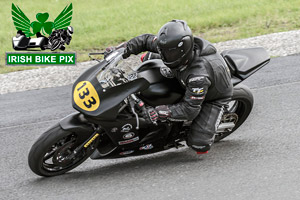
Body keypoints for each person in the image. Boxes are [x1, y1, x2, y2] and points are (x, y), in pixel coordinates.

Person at [122, 20, 233, 154]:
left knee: (199, 145)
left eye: (170, 53)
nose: (164, 56)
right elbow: (145, 40)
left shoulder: (198, 76)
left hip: (213, 96)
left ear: (183, 49)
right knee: (147, 58)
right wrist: (123, 49)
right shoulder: (170, 46)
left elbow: (190, 110)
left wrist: (159, 112)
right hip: (182, 72)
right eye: (162, 51)